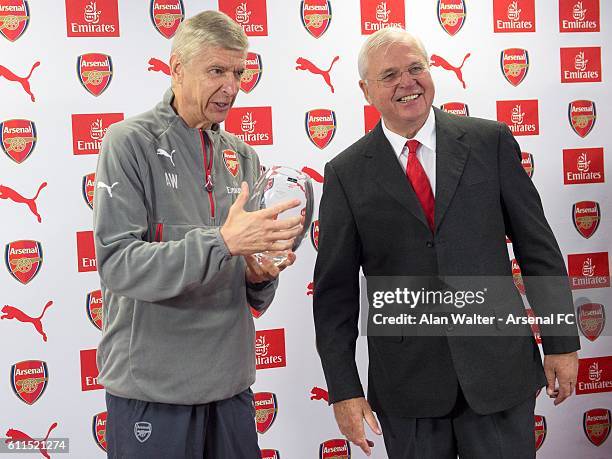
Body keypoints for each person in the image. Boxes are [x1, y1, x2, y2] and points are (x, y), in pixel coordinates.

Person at [312, 27, 580, 458]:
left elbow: (538, 247)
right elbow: (334, 297)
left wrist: (562, 342)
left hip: (499, 371)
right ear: (366, 90)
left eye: (416, 68)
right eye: (390, 75)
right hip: (407, 387)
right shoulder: (346, 173)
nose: (407, 82)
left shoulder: (489, 141)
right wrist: (344, 391)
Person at [93, 11, 302, 458]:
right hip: (153, 393)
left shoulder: (243, 156)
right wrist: (222, 242)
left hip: (231, 388)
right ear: (176, 69)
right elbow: (118, 264)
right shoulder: (128, 142)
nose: (232, 86)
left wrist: (261, 273)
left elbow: (250, 292)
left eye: (239, 72)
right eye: (217, 71)